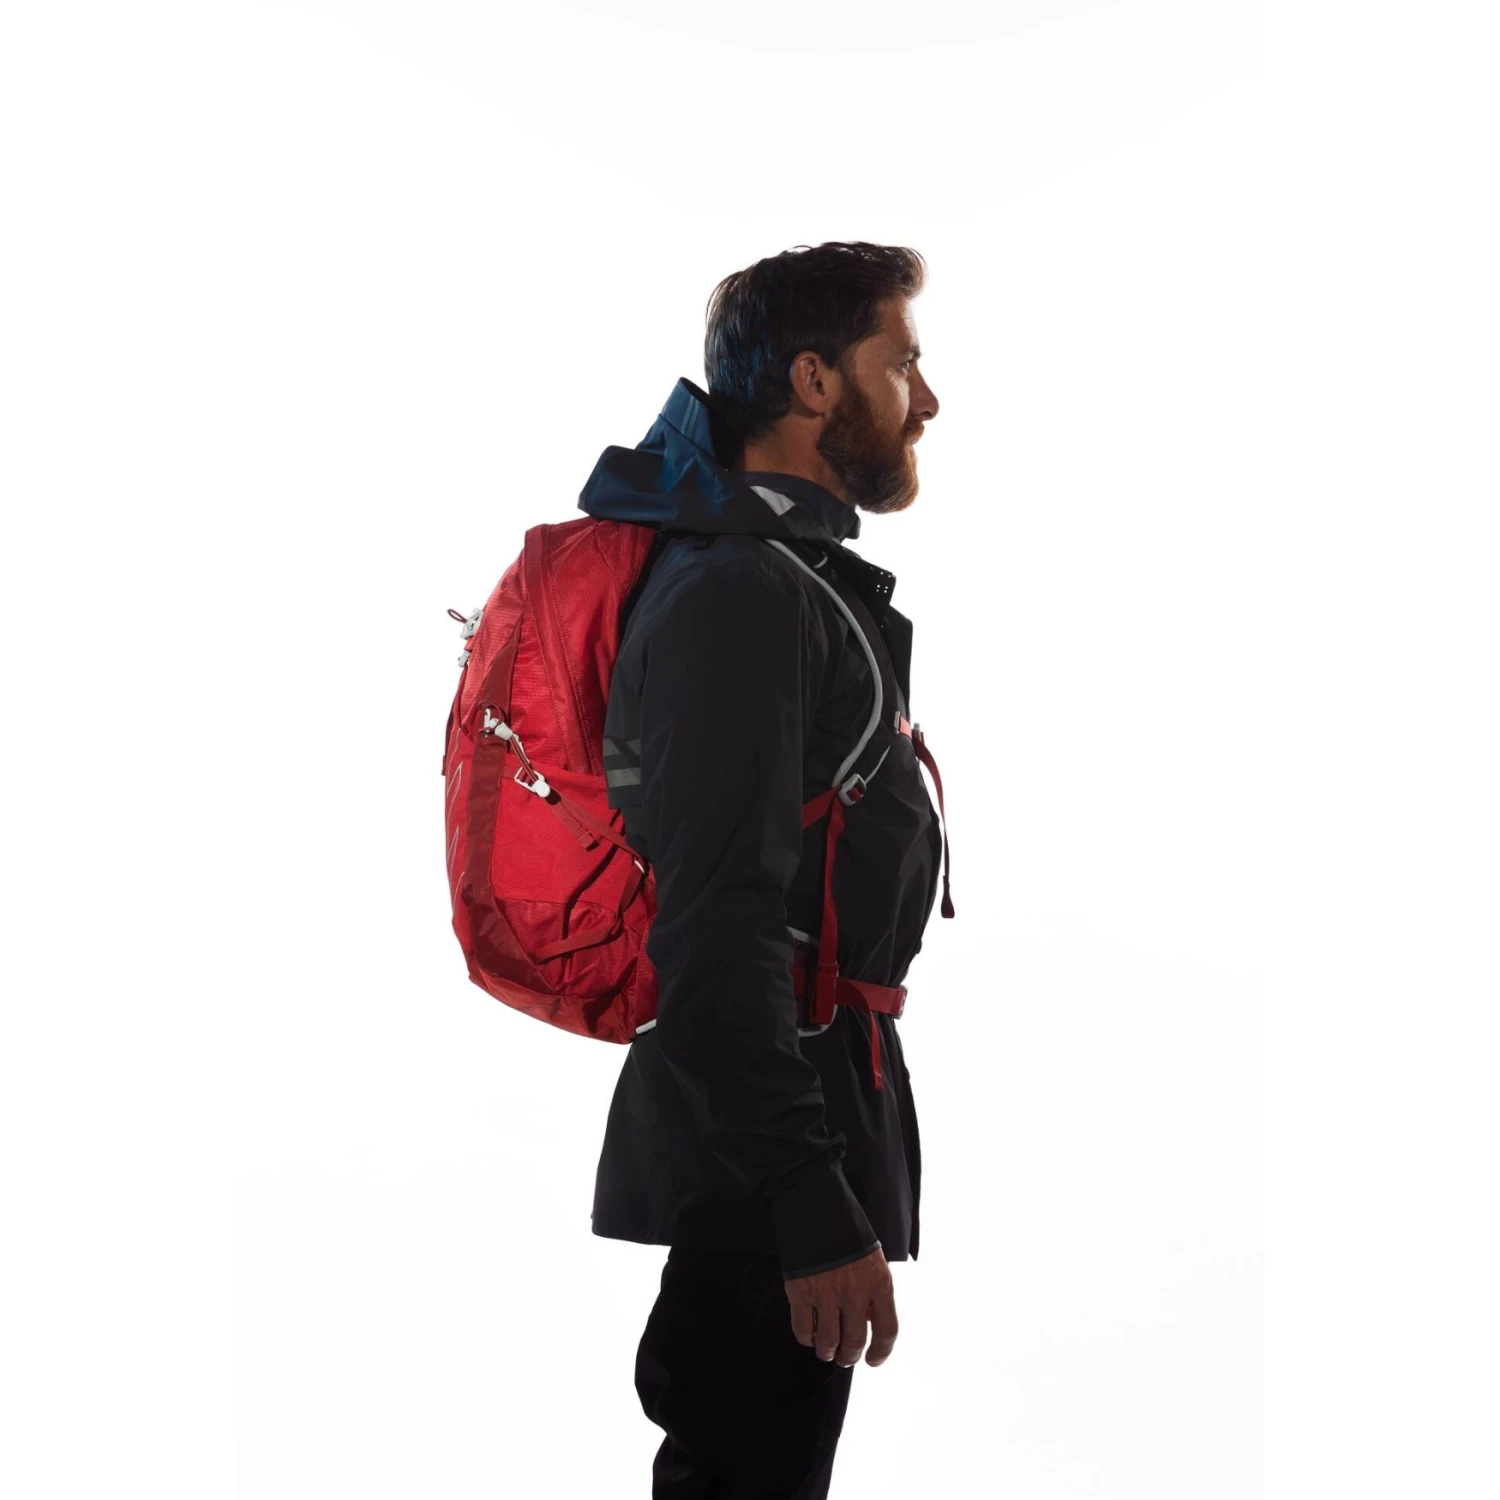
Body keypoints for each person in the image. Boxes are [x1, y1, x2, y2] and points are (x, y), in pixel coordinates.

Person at [577, 240, 945, 1498]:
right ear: (814, 380)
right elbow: (716, 918)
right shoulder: (737, 591)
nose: (928, 399)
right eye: (901, 362)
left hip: (789, 1109)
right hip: (761, 1135)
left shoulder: (778, 578)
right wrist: (801, 1190)